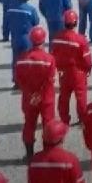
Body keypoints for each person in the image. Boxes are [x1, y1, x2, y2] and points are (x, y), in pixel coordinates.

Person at [14, 27, 56, 159]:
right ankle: (47, 153)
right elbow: (50, 80)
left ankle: (29, 154)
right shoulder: (49, 59)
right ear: (44, 40)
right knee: (48, 124)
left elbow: (18, 80)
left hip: (28, 98)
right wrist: (39, 94)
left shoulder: (21, 59)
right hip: (46, 98)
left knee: (29, 124)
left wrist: (30, 94)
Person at [52, 10, 92, 126]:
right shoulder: (80, 40)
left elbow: (53, 54)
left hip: (63, 72)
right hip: (78, 72)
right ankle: (82, 118)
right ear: (75, 23)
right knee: (80, 96)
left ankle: (64, 119)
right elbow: (87, 59)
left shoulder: (57, 37)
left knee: (64, 96)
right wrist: (88, 69)